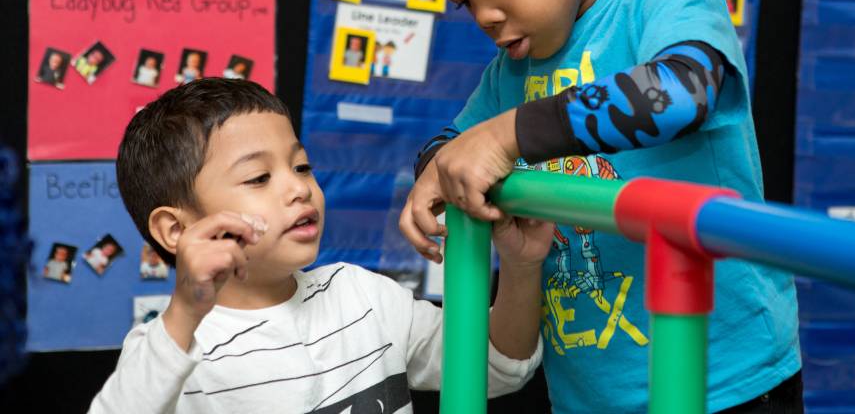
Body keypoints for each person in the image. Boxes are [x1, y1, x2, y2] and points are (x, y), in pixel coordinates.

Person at [397, 0, 801, 414]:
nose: (483, 15)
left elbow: (682, 90)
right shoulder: (514, 70)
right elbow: (457, 141)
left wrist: (509, 134)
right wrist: (437, 166)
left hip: (724, 383)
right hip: (589, 397)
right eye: (462, 3)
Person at [89, 78, 549, 412]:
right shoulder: (171, 346)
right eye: (259, 178)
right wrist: (185, 312)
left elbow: (494, 367)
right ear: (174, 230)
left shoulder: (363, 296)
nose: (298, 189)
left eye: (302, 167)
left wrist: (522, 267)